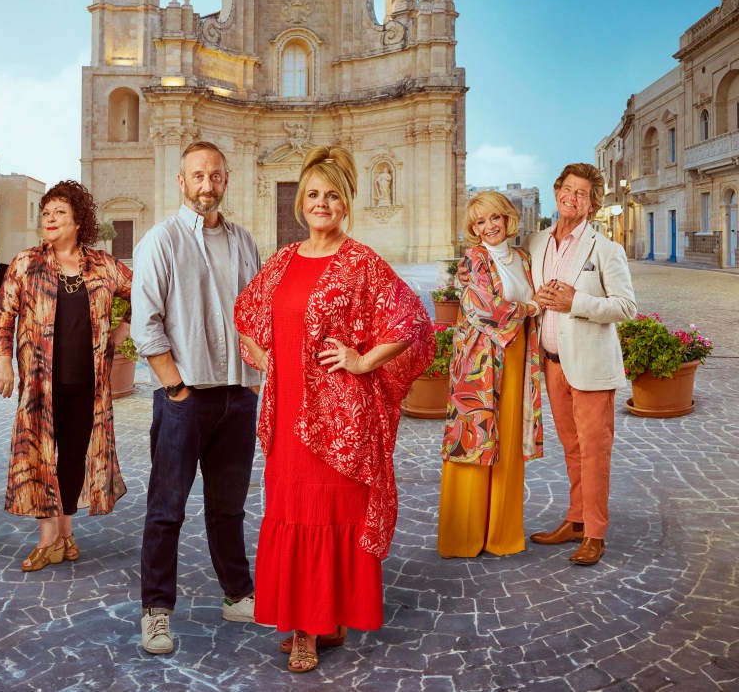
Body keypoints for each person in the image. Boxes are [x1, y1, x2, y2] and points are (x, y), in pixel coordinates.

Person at [234, 146, 434, 673]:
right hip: (289, 415)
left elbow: (412, 320)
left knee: (333, 513)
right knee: (292, 511)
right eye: (314, 195)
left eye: (333, 195)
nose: (322, 203)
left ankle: (314, 626)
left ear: (346, 204)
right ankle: (310, 618)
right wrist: (264, 354)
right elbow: (249, 314)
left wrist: (364, 360)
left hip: (342, 419)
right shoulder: (281, 259)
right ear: (302, 203)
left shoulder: (361, 261)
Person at [457, 164, 636, 565]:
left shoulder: (605, 250)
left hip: (589, 366)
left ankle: (594, 531)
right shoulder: (535, 244)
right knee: (572, 449)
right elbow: (499, 271)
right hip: (549, 365)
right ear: (557, 193)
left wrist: (578, 303)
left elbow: (626, 307)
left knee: (594, 450)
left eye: (582, 194)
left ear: (593, 204)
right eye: (567, 189)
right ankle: (574, 520)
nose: (572, 198)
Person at [130, 141, 263, 655]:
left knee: (228, 509)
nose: (207, 185)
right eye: (197, 176)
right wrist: (176, 388)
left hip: (237, 397)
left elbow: (254, 315)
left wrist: (251, 383)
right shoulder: (160, 241)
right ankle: (156, 612)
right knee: (166, 510)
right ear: (181, 182)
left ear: (226, 179)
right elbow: (146, 324)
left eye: (215, 176)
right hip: (185, 399)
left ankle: (237, 594)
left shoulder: (245, 241)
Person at [0, 180, 132, 571]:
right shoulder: (25, 262)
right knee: (39, 457)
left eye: (59, 214)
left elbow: (144, 293)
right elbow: (4, 313)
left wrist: (123, 329)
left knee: (72, 457)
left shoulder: (103, 265)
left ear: (78, 221)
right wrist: (2, 359)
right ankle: (48, 539)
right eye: (46, 213)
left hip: (90, 383)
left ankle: (65, 534)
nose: (49, 220)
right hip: (40, 383)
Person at [437, 191, 543, 559]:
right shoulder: (474, 257)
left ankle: (502, 534)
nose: (489, 226)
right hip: (479, 361)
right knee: (474, 437)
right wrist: (530, 307)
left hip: (516, 357)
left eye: (494, 218)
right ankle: (463, 536)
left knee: (509, 441)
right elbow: (485, 307)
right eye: (480, 222)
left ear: (508, 218)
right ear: (473, 228)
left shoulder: (524, 259)